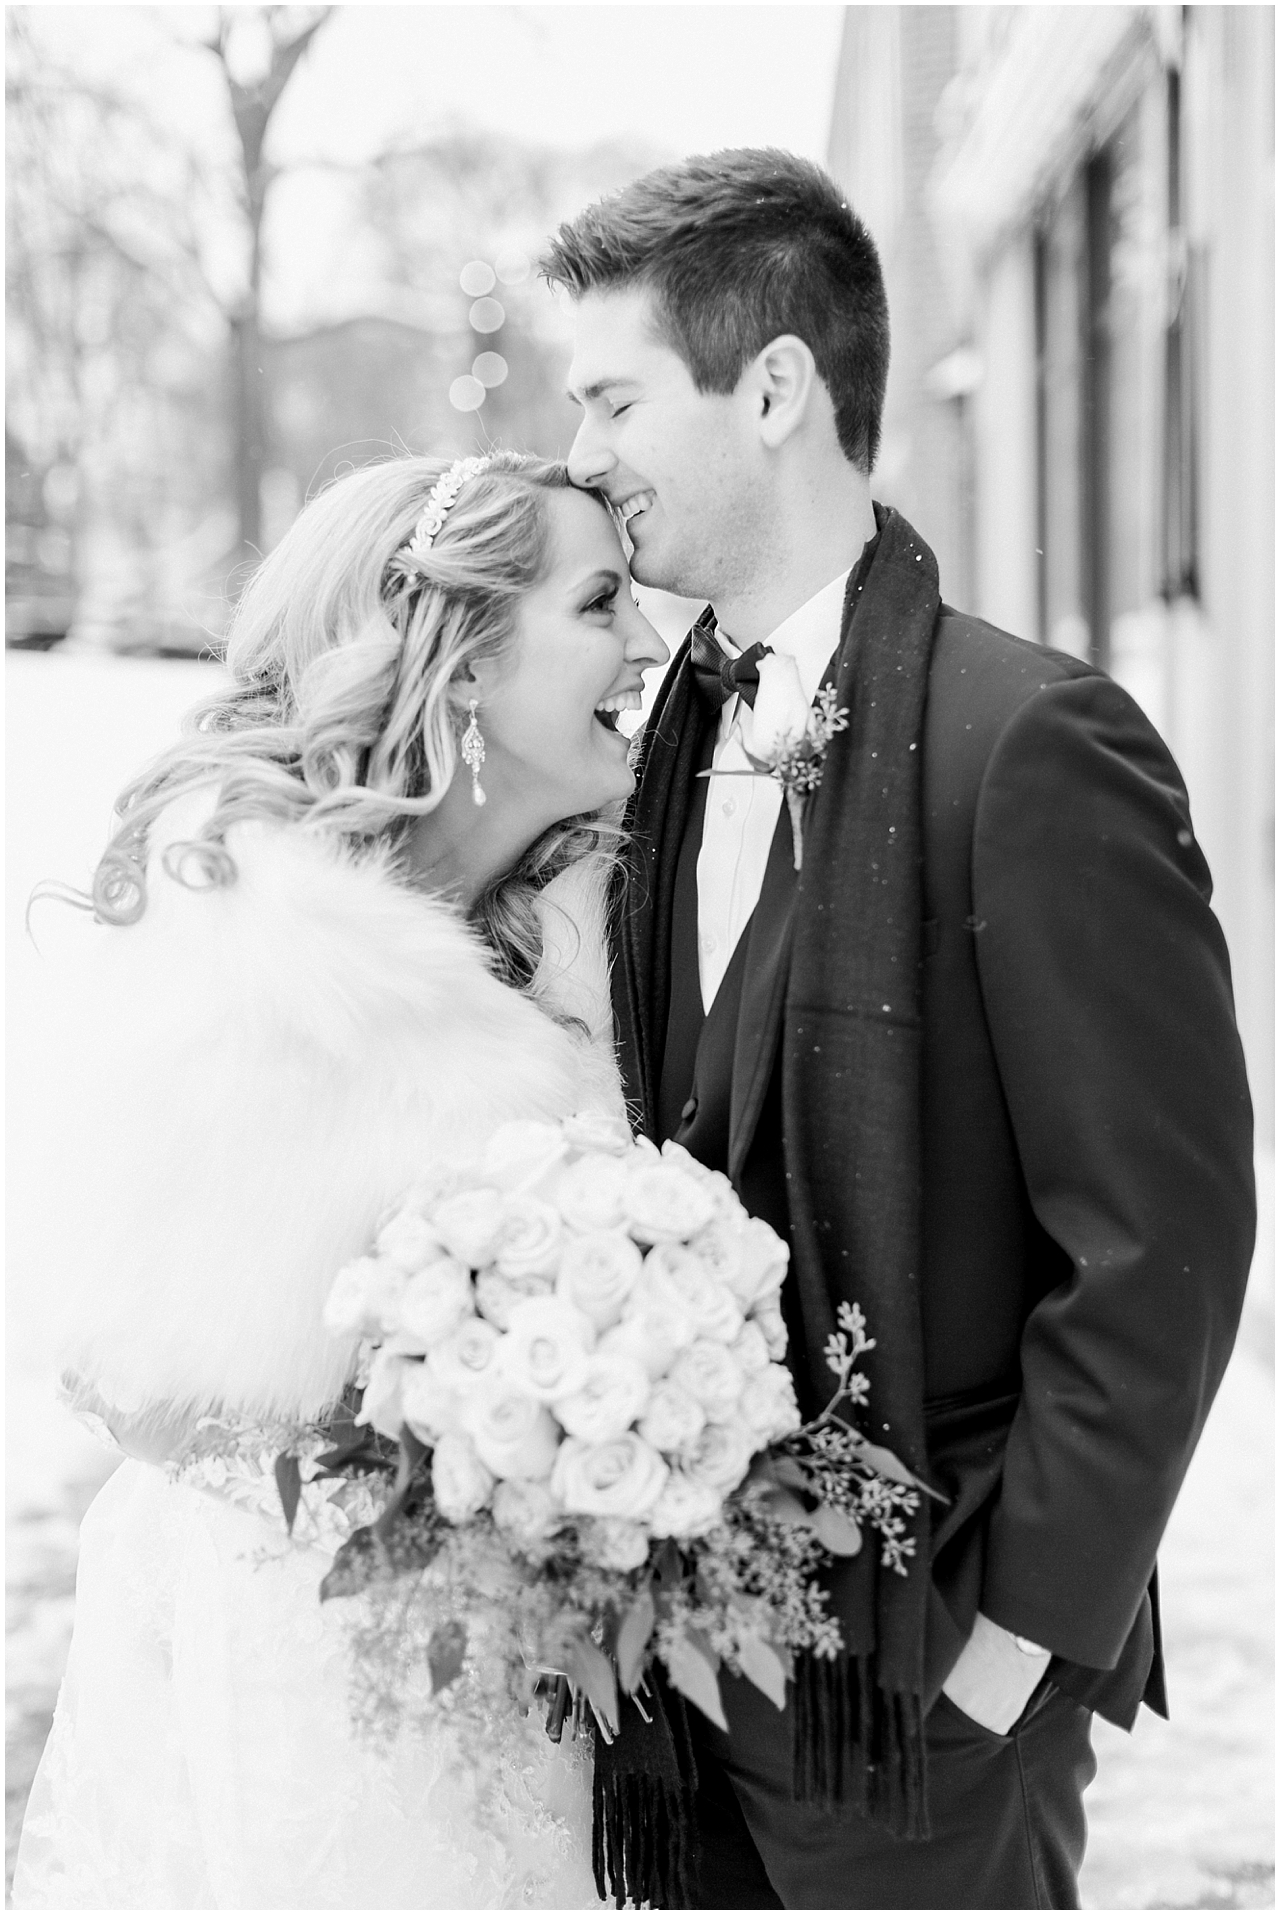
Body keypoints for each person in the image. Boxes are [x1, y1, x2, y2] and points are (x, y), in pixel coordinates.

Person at [545, 148, 1256, 1910]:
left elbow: (1161, 1245)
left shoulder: (1034, 745)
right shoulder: (648, 749)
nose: (584, 455)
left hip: (930, 1692)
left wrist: (1012, 1651)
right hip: (680, 1687)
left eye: (616, 400)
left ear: (774, 387)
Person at [12, 450, 667, 1910]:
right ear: (465, 660)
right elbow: (120, 1366)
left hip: (543, 1716)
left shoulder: (596, 941)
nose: (643, 644)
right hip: (304, 1685)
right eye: (598, 604)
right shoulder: (252, 951)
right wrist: (441, 1442)